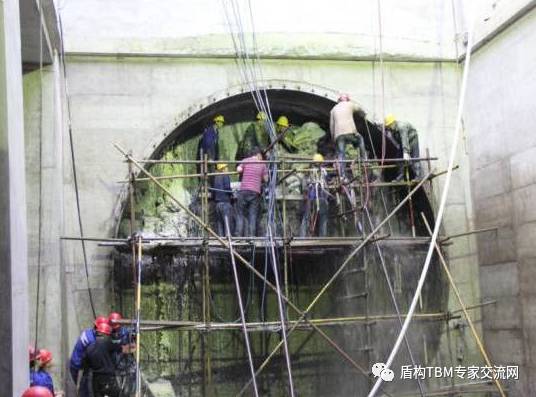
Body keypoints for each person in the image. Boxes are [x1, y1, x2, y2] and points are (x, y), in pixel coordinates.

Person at [329, 94, 367, 179]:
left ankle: (342, 175)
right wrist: (363, 114)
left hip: (339, 135)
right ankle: (364, 160)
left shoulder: (333, 109)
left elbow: (331, 125)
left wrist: (333, 138)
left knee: (341, 153)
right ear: (347, 99)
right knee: (360, 139)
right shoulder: (350, 104)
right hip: (350, 132)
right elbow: (359, 109)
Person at [85, 322, 128, 397]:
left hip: (95, 380)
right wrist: (133, 347)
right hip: (108, 379)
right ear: (105, 334)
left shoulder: (89, 347)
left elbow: (85, 365)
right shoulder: (107, 343)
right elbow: (122, 349)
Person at [69, 315, 109, 396]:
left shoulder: (88, 332)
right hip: (79, 364)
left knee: (83, 386)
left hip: (76, 362)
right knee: (85, 386)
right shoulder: (92, 340)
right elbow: (94, 355)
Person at [235, 148, 268, 237]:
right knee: (252, 215)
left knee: (240, 214)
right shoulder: (262, 164)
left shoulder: (245, 160)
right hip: (255, 192)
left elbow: (238, 169)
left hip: (244, 190)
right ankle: (251, 237)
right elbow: (266, 179)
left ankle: (238, 235)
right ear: (258, 155)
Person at [300, 154, 331, 237]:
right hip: (314, 197)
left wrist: (305, 194)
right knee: (320, 218)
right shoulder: (322, 172)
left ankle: (303, 237)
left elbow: (305, 185)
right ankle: (321, 237)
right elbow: (327, 184)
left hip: (316, 198)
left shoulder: (316, 172)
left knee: (309, 217)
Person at [384, 114, 422, 180]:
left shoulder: (401, 127)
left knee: (415, 158)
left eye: (389, 125)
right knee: (398, 158)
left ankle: (418, 176)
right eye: (388, 126)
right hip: (404, 143)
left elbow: (405, 139)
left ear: (393, 123)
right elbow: (398, 141)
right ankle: (401, 176)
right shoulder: (392, 130)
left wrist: (406, 152)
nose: (389, 127)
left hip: (412, 139)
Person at [211, 163, 234, 236]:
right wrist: (232, 193)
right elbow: (227, 188)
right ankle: (228, 238)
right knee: (227, 221)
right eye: (226, 167)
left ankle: (221, 239)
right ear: (223, 169)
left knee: (220, 223)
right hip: (225, 203)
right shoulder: (225, 175)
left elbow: (213, 192)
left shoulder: (216, 177)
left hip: (218, 204)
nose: (227, 169)